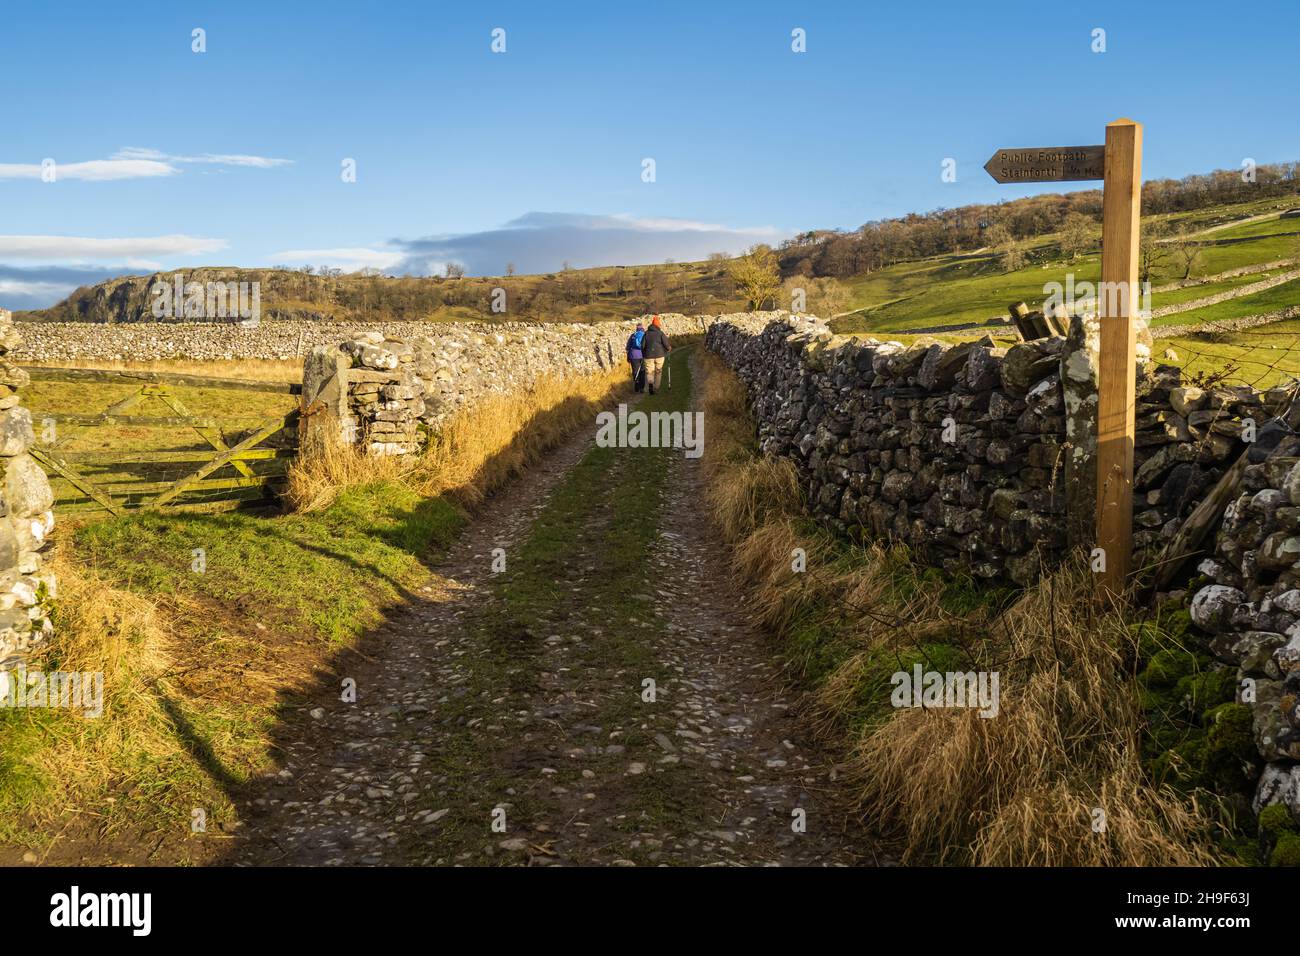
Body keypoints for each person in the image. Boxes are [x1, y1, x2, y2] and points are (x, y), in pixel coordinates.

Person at [640, 316, 671, 394]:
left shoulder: (646, 333)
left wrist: (644, 354)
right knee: (658, 371)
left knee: (649, 371)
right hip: (659, 355)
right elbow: (666, 344)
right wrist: (668, 348)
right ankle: (656, 388)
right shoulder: (660, 333)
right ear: (658, 325)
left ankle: (650, 384)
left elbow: (642, 345)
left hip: (648, 356)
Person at [626, 322, 646, 393]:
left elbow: (628, 347)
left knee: (635, 371)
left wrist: (628, 357)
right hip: (642, 355)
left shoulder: (633, 335)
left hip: (633, 355)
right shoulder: (644, 335)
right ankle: (642, 388)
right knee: (642, 371)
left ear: (636, 328)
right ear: (642, 328)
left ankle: (636, 386)